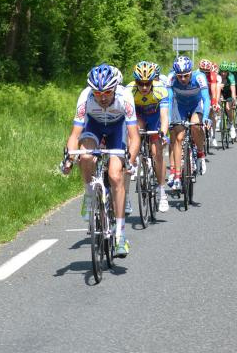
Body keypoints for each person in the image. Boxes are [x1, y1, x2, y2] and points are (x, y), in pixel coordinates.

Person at [64, 63, 140, 257]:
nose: (102, 97)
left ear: (115, 88)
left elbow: (134, 136)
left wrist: (130, 160)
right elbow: (75, 134)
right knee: (86, 155)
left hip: (117, 128)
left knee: (115, 175)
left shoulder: (125, 98)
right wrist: (69, 159)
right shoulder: (85, 97)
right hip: (94, 126)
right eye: (97, 93)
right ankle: (90, 194)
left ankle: (120, 235)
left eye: (106, 92)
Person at [126, 61, 170, 213]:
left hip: (155, 119)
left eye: (147, 83)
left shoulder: (160, 90)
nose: (144, 87)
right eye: (140, 83)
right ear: (135, 81)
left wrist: (163, 133)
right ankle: (137, 158)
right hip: (138, 117)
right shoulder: (129, 90)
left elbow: (165, 117)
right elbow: (126, 118)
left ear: (153, 81)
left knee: (157, 152)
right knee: (136, 130)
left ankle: (161, 191)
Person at [167, 56, 210, 189]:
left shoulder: (199, 77)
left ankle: (201, 154)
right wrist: (168, 120)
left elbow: (206, 99)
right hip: (179, 106)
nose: (183, 79)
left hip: (196, 105)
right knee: (179, 138)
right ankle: (178, 176)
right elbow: (168, 101)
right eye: (180, 76)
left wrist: (206, 117)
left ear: (191, 72)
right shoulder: (171, 78)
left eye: (186, 76)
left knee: (196, 126)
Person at [199, 59, 221, 148]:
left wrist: (214, 102)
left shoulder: (213, 75)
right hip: (200, 94)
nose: (205, 74)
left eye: (207, 72)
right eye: (203, 72)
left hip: (209, 94)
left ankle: (213, 136)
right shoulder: (196, 74)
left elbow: (213, 90)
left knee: (211, 113)